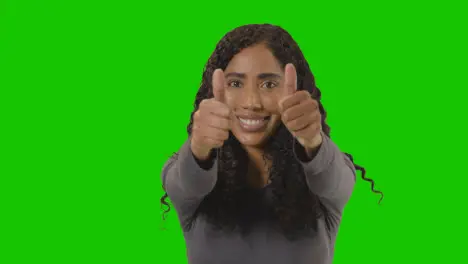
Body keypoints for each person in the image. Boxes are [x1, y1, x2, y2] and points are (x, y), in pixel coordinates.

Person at [160, 24, 383, 264]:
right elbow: (187, 181)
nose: (252, 102)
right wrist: (200, 147)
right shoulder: (186, 175)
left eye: (269, 84)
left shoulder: (327, 176)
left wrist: (312, 140)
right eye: (236, 83)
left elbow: (334, 179)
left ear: (295, 90)